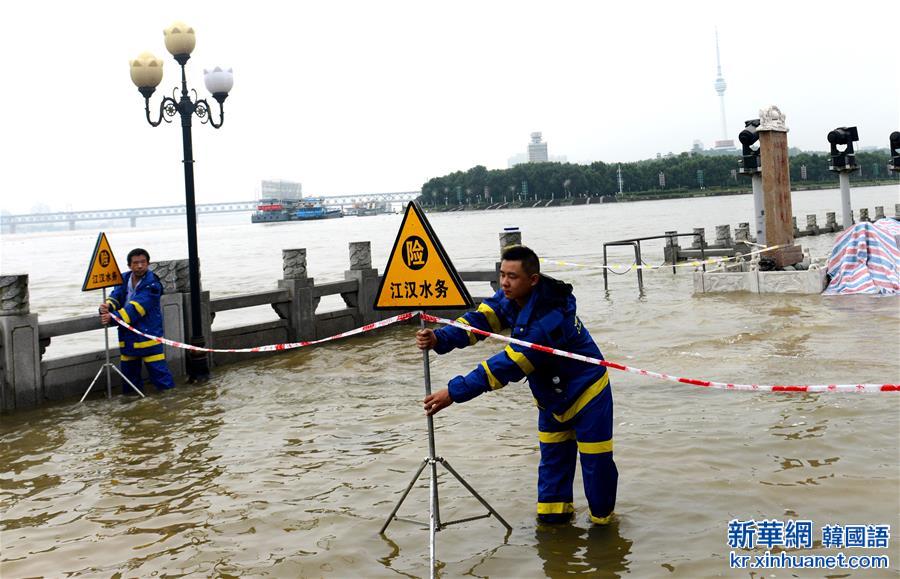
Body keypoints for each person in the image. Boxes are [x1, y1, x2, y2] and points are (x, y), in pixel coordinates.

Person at [416, 245, 617, 525]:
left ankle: (604, 533)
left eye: (512, 276)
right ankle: (553, 532)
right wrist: (441, 339)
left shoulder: (550, 317)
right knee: (552, 471)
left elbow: (508, 365)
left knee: (597, 468)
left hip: (588, 395)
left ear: (532, 280)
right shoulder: (510, 298)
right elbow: (478, 321)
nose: (504, 283)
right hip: (550, 399)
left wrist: (453, 392)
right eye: (502, 275)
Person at [98, 248, 175, 393]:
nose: (139, 266)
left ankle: (170, 405)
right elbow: (116, 296)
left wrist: (113, 317)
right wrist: (107, 306)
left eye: (143, 262)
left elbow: (137, 308)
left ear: (148, 263)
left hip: (148, 338)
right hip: (128, 338)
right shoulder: (124, 279)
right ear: (129, 265)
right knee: (129, 380)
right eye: (135, 263)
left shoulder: (153, 284)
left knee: (161, 378)